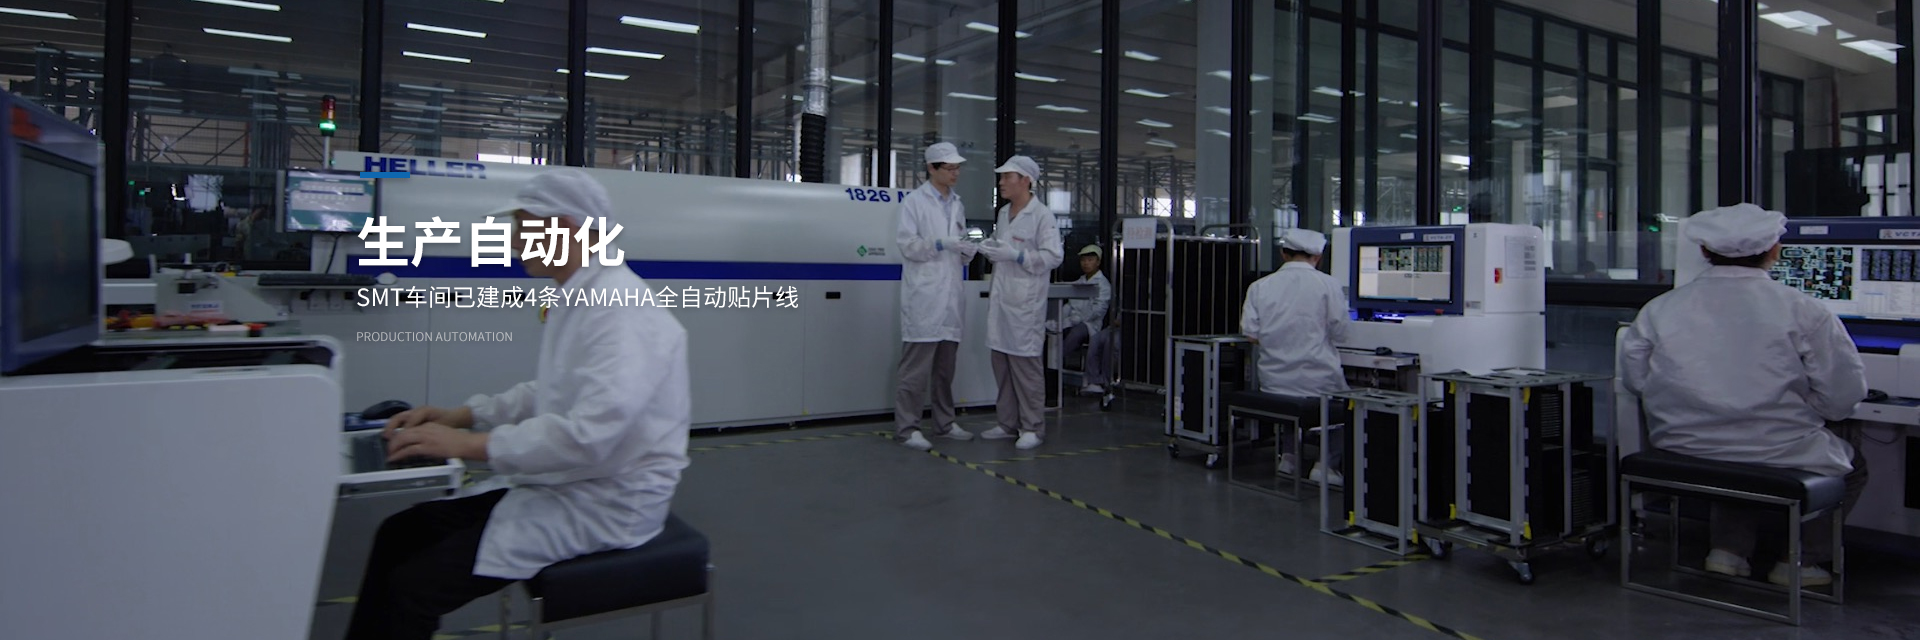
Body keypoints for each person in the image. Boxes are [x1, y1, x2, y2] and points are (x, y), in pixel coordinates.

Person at [344, 169, 692, 640]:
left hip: (608, 500)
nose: (513, 243)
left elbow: (588, 436)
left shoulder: (621, 310)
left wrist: (468, 446)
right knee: (400, 533)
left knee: (414, 587)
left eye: (522, 228)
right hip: (571, 482)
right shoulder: (582, 295)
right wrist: (462, 416)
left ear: (565, 228)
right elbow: (550, 390)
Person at [1619, 202, 1867, 588]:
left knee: (1730, 450)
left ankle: (1727, 552)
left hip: (1682, 444)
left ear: (1704, 251)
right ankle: (1798, 563)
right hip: (1770, 448)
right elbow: (1843, 396)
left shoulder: (1660, 308)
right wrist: (1809, 407)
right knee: (1851, 464)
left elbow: (1636, 380)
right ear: (1774, 250)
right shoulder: (1804, 310)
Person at [1240, 228, 1350, 486]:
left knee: (1290, 403)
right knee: (1345, 406)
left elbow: (1251, 335)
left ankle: (1289, 458)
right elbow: (1342, 333)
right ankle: (1326, 466)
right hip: (1318, 378)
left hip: (1273, 381)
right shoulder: (1328, 285)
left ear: (1283, 253)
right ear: (1318, 257)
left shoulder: (1259, 287)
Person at [892, 142, 981, 451]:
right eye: (950, 168)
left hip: (951, 299)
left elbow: (959, 246)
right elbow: (908, 246)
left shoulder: (957, 204)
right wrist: (940, 243)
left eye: (958, 168)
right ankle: (907, 428)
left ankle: (944, 423)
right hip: (925, 299)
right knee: (915, 371)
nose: (956, 173)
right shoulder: (914, 202)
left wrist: (967, 249)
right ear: (932, 168)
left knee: (945, 370)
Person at [976, 155, 1065, 450]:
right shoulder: (1004, 213)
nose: (1001, 182)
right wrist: (992, 248)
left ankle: (1032, 427)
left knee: (1026, 369)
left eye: (1007, 177)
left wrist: (1017, 256)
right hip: (1002, 301)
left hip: (1025, 304)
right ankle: (1007, 423)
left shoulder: (1042, 216)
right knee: (1001, 365)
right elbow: (1004, 246)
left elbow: (1053, 256)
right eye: (1001, 177)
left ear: (1026, 180)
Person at [1057, 244, 1114, 395]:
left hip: (1091, 325)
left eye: (1090, 260)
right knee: (1054, 332)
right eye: (1083, 260)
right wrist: (1060, 319)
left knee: (1076, 332)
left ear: (1098, 262)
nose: (1086, 263)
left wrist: (1077, 319)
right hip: (1073, 321)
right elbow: (1069, 305)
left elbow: (1097, 311)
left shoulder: (1103, 285)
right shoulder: (1079, 282)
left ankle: (1055, 362)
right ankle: (1051, 366)